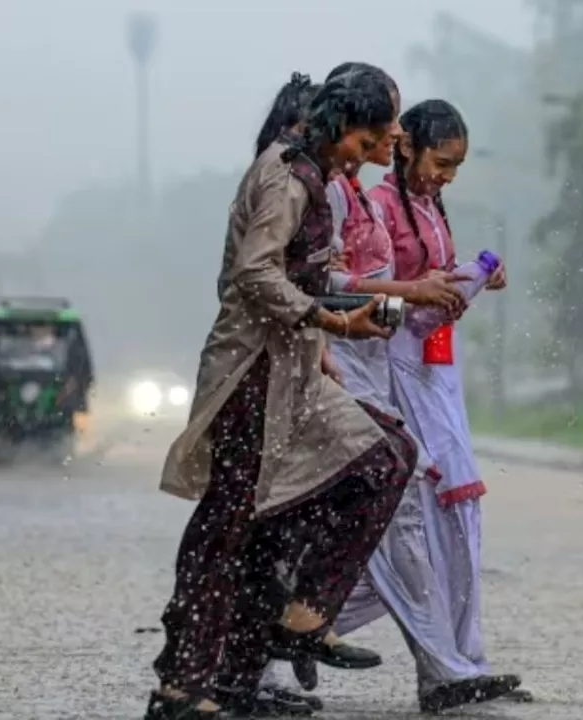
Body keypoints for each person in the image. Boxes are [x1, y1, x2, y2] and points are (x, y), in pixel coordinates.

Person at [146, 67, 417, 720]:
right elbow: (253, 274)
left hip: (294, 367)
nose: (371, 153)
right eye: (369, 139)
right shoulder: (285, 175)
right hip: (251, 375)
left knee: (382, 457)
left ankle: (295, 621)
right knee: (230, 524)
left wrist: (343, 320)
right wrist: (329, 322)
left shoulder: (317, 177)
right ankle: (184, 687)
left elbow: (308, 274)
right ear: (338, 126)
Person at [259, 70, 519, 715]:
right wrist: (410, 294)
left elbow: (354, 284)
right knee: (381, 514)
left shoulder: (360, 195)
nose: (394, 132)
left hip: (392, 363)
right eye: (387, 124)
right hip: (348, 364)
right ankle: (286, 648)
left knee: (418, 518)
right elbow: (298, 283)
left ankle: (426, 659)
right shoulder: (318, 190)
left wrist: (449, 284)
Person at [368, 99, 529, 710]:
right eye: (441, 162)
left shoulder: (432, 207)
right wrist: (422, 295)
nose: (446, 176)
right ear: (405, 145)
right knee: (412, 521)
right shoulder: (377, 209)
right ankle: (444, 665)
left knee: (458, 519)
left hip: (438, 372)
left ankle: (462, 659)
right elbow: (369, 296)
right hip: (393, 372)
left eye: (457, 166)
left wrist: (472, 276)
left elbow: (432, 286)